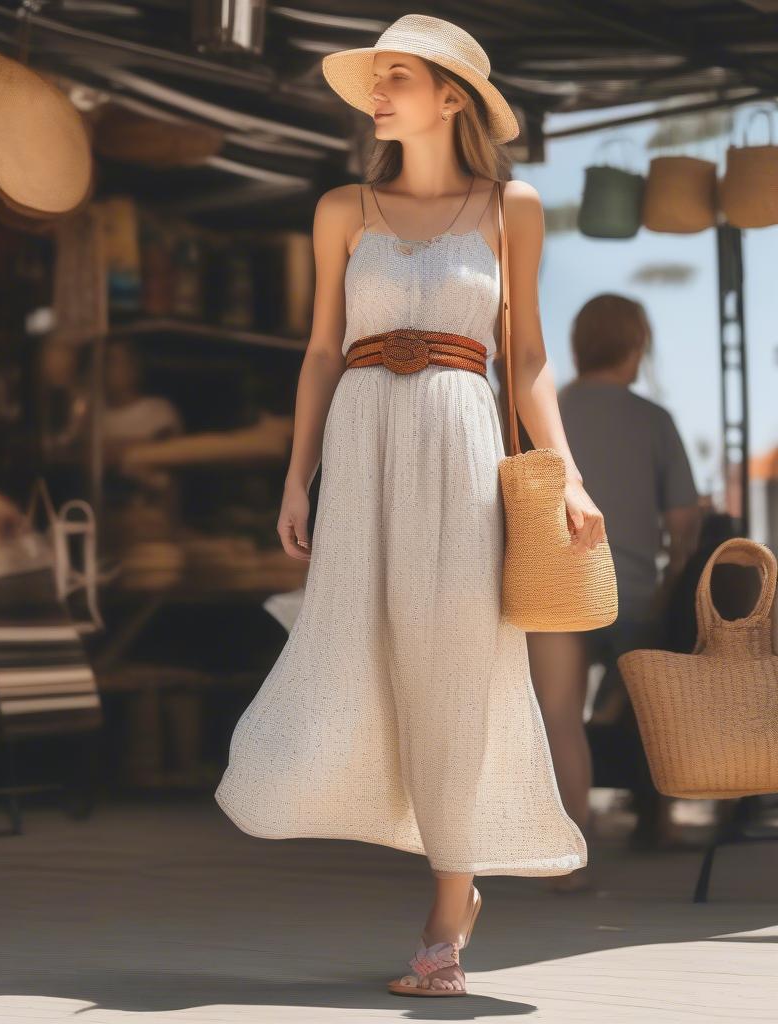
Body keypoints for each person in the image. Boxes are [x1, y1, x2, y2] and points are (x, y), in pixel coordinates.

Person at [214, 15, 605, 998]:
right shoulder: (342, 207)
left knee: (459, 665)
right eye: (375, 76)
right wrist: (297, 476)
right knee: (353, 648)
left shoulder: (510, 206)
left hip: (460, 446)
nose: (376, 92)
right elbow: (318, 351)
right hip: (362, 441)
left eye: (397, 76)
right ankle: (380, 828)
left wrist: (569, 473)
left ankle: (447, 911)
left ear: (451, 100)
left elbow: (525, 359)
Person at [528, 294, 701, 880]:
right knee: (659, 712)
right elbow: (684, 526)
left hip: (555, 590)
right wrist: (671, 581)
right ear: (636, 346)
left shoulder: (541, 411)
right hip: (633, 595)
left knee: (558, 718)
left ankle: (570, 860)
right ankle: (662, 820)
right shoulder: (654, 419)